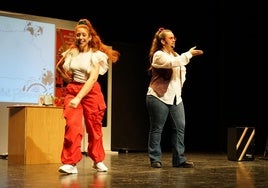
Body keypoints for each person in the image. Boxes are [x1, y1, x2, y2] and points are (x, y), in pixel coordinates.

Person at [56, 18, 120, 173]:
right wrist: (67, 78)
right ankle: (70, 163)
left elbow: (92, 79)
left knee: (94, 127)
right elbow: (58, 67)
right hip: (73, 90)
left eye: (84, 35)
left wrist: (79, 97)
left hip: (91, 92)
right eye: (78, 35)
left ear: (90, 37)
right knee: (72, 126)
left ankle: (97, 160)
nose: (80, 38)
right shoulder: (71, 53)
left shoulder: (96, 55)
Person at [146, 27, 203, 168]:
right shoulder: (159, 55)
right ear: (163, 41)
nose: (174, 40)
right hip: (158, 96)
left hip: (176, 97)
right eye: (171, 38)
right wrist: (188, 54)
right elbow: (173, 63)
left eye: (174, 37)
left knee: (180, 128)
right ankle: (155, 159)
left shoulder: (175, 54)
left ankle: (179, 159)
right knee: (157, 128)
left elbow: (181, 70)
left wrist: (179, 89)